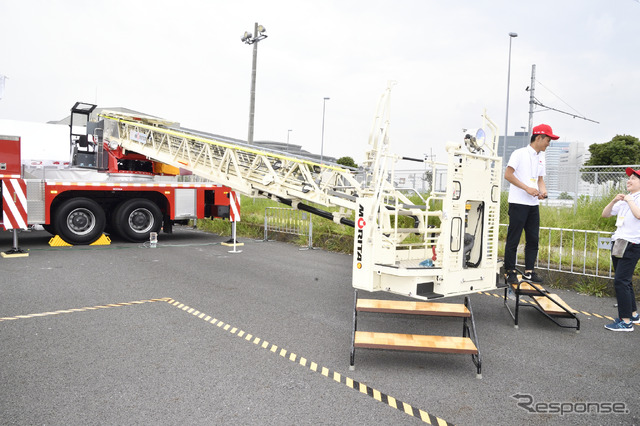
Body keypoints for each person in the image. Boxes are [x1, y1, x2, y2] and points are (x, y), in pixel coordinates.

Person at [503, 124, 559, 286]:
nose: (549, 144)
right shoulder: (519, 153)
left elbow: (540, 179)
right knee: (514, 238)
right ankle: (510, 271)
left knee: (533, 239)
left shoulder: (541, 157)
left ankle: (529, 271)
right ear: (539, 137)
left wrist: (543, 192)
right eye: (548, 140)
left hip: (533, 204)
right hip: (518, 203)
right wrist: (527, 188)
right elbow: (508, 174)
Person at [601, 167, 640, 331]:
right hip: (619, 242)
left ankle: (625, 322)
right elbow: (605, 214)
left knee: (620, 282)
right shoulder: (626, 199)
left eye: (633, 178)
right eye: (628, 178)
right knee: (624, 280)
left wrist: (629, 200)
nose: (628, 180)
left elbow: (638, 215)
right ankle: (633, 314)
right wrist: (613, 201)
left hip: (632, 244)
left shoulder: (634, 199)